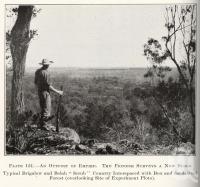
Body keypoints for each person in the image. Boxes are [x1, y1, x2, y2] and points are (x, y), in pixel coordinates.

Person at [34, 59, 63, 128]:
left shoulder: (37, 71)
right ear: (47, 65)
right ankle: (44, 125)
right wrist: (58, 92)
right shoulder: (45, 73)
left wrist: (40, 89)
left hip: (40, 92)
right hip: (45, 92)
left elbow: (35, 83)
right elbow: (48, 86)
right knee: (46, 109)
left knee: (43, 108)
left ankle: (42, 124)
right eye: (48, 64)